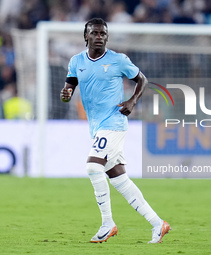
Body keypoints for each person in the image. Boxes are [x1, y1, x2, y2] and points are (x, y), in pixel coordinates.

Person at [60, 18, 171, 243]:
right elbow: (71, 83)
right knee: (119, 178)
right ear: (86, 36)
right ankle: (158, 224)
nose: (100, 36)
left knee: (93, 167)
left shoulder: (118, 60)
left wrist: (132, 101)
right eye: (95, 33)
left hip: (114, 123)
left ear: (107, 36)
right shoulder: (76, 61)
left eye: (103, 33)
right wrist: (67, 92)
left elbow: (143, 80)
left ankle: (107, 223)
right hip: (97, 126)